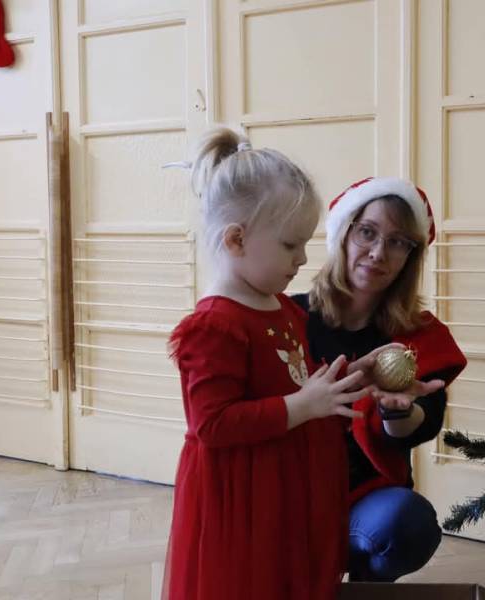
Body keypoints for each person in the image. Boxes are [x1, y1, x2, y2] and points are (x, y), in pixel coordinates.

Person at [162, 127, 371, 600]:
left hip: (282, 489)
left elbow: (295, 383)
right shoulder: (215, 326)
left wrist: (356, 375)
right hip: (240, 502)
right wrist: (301, 406)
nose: (302, 259)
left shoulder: (282, 307)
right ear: (237, 239)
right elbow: (212, 424)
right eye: (290, 245)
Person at [293, 177, 467, 582]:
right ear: (344, 233)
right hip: (291, 492)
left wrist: (396, 411)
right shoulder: (289, 318)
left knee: (409, 524)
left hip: (365, 499)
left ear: (410, 255)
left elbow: (424, 421)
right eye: (367, 232)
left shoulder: (419, 336)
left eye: (397, 242)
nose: (378, 253)